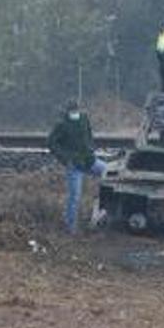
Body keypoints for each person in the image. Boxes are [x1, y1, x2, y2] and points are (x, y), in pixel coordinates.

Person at [47, 99, 106, 235]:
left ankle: (102, 212)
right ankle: (70, 227)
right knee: (75, 196)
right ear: (67, 112)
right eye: (73, 111)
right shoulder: (61, 125)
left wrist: (91, 147)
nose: (75, 113)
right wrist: (65, 158)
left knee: (109, 173)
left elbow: (89, 134)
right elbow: (51, 143)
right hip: (74, 165)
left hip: (90, 160)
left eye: (77, 110)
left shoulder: (84, 118)